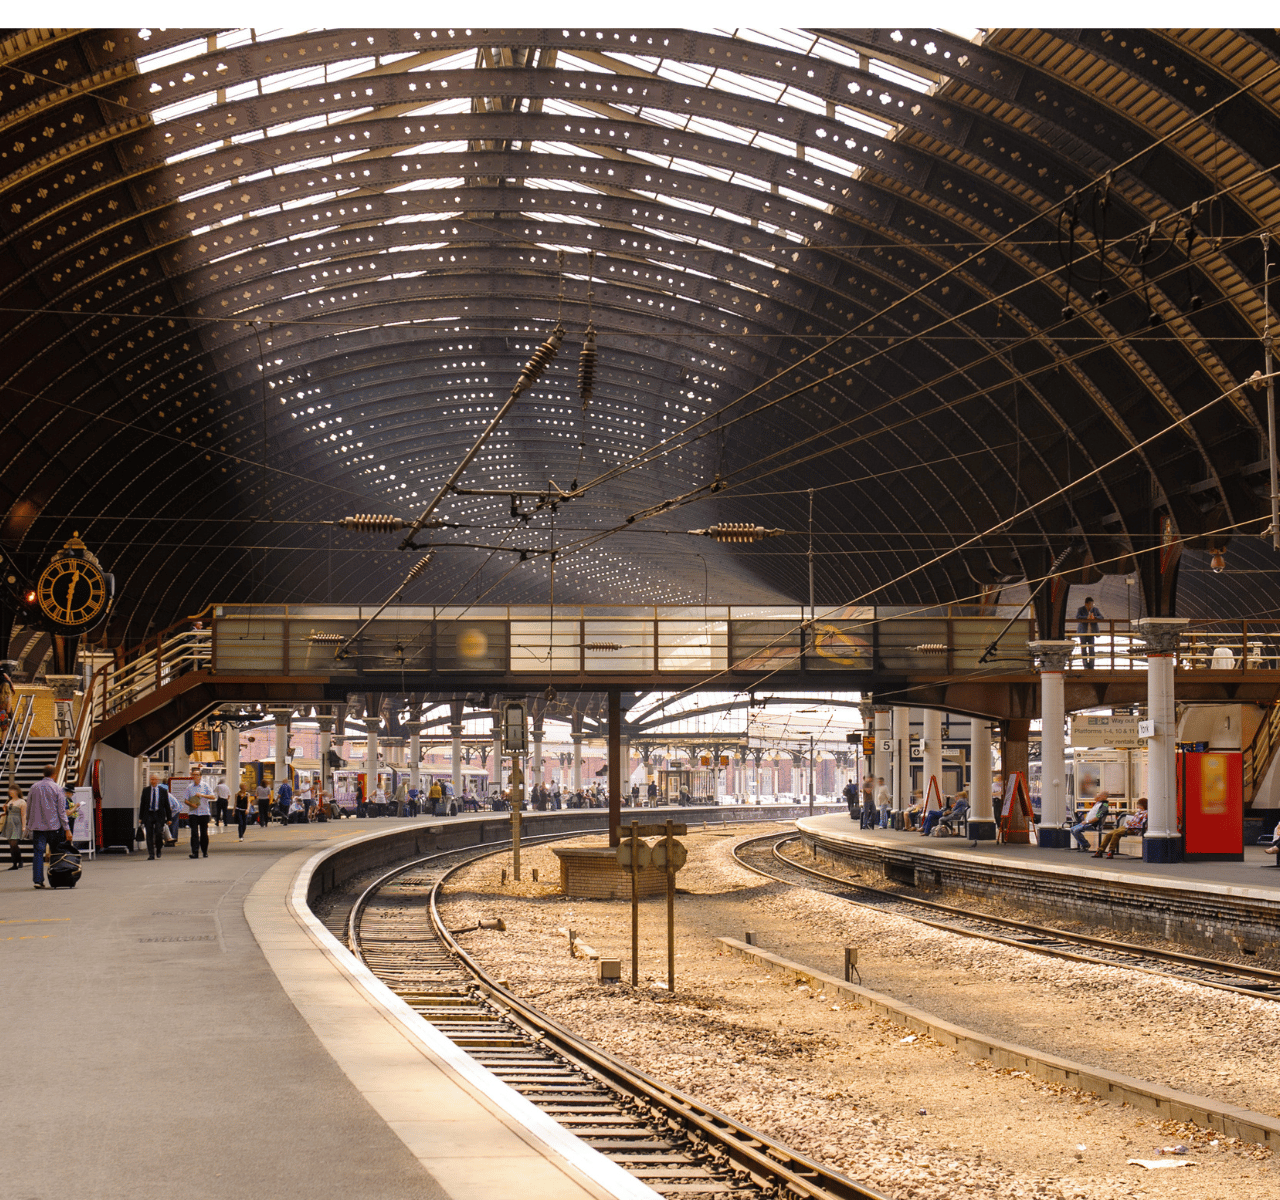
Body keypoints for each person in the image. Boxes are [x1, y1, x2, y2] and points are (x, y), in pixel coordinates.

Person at [26, 765, 70, 889]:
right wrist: (67, 828)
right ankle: (56, 878)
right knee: (55, 853)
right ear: (54, 775)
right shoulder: (58, 788)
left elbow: (28, 806)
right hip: (54, 827)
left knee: (38, 853)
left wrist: (28, 825)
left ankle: (38, 880)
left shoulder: (33, 787)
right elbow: (61, 811)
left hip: (38, 828)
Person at [138, 772, 174, 860]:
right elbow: (142, 804)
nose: (153, 781)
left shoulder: (163, 791)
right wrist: (140, 817)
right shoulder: (146, 790)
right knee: (149, 834)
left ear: (158, 780)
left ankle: (158, 848)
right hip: (149, 814)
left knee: (159, 833)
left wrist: (169, 818)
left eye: (154, 779)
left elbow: (167, 805)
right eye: (151, 779)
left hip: (159, 814)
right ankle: (151, 854)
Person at [184, 766, 215, 858]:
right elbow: (185, 800)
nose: (195, 776)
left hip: (204, 812)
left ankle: (204, 851)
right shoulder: (189, 787)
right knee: (194, 833)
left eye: (197, 775)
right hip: (193, 813)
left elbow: (213, 796)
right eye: (193, 775)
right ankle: (195, 852)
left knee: (204, 833)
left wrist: (202, 795)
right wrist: (191, 804)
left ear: (200, 776)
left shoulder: (205, 785)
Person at [1075, 596, 1103, 670]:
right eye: (1090, 604)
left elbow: (1101, 617)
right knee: (1083, 649)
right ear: (1086, 604)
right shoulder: (1080, 609)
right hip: (1083, 632)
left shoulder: (1095, 610)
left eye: (1092, 604)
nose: (1091, 606)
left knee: (1091, 649)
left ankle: (1091, 665)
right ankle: (1085, 666)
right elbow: (1077, 617)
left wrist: (1095, 617)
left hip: (1091, 633)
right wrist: (1086, 617)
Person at [4, 783, 26, 870]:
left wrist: (24, 826)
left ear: (17, 791)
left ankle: (19, 861)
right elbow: (7, 813)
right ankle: (15, 862)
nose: (10, 793)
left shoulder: (22, 801)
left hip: (17, 823)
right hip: (9, 823)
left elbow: (23, 815)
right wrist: (5, 809)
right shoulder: (9, 801)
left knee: (14, 843)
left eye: (12, 791)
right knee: (11, 844)